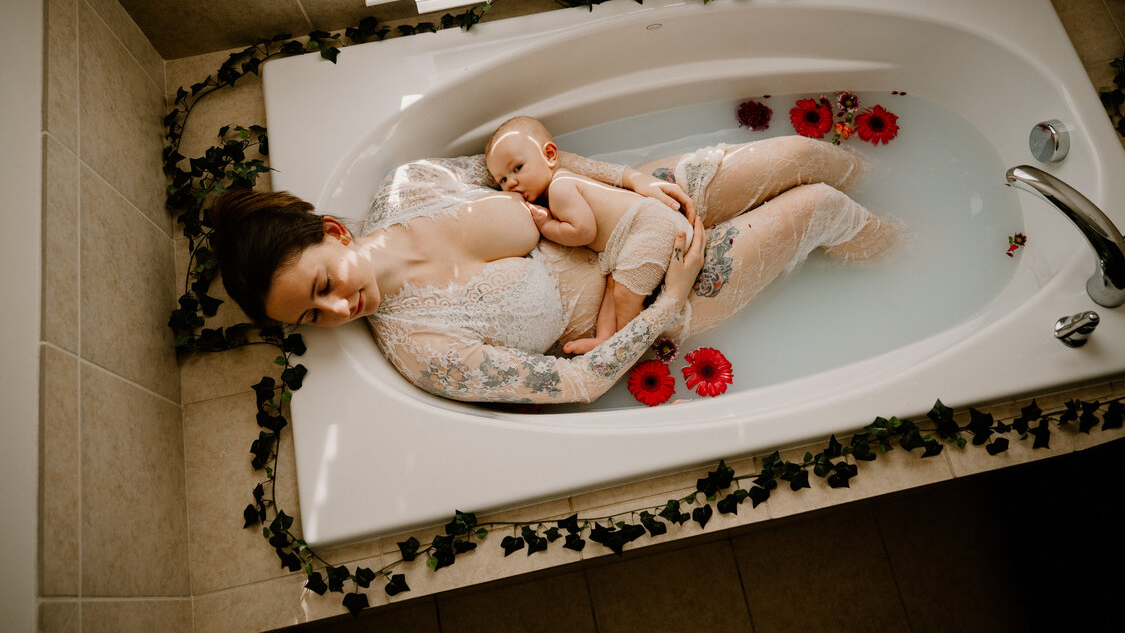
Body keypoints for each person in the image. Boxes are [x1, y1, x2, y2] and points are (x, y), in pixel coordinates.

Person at [208, 135, 897, 404]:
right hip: (662, 288)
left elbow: (531, 161)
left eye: (323, 285)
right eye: (310, 318)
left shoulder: (411, 185)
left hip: (627, 207)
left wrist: (630, 175)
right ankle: (904, 250)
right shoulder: (422, 350)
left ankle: (899, 203)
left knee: (811, 156)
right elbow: (576, 381)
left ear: (333, 232)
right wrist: (671, 300)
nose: (336, 312)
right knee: (820, 205)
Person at [485, 116, 693, 354]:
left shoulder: (559, 188)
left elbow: (583, 232)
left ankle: (626, 345)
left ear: (550, 155)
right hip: (630, 237)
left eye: (517, 168)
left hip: (649, 227)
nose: (511, 182)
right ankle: (604, 337)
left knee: (624, 295)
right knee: (613, 287)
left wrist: (547, 226)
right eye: (502, 180)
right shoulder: (563, 181)